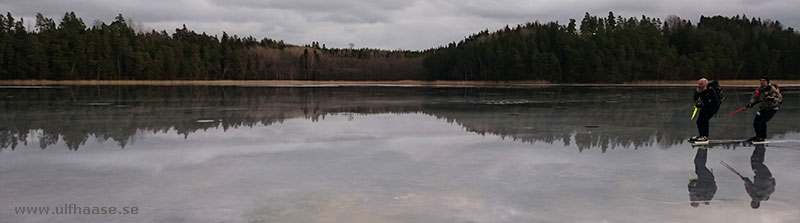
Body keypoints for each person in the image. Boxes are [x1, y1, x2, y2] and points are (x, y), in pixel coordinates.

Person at [745, 77, 782, 142]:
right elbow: (755, 97)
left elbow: (780, 99)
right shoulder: (759, 89)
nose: (762, 82)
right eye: (761, 81)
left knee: (762, 121)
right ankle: (758, 136)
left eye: (763, 81)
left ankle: (762, 137)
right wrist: (751, 103)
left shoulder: (772, 89)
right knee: (756, 122)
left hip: (772, 109)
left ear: (767, 82)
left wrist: (772, 99)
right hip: (763, 108)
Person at [744, 144, 776, 209]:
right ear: (758, 203)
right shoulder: (762, 195)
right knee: (756, 162)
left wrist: (745, 180)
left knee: (755, 161)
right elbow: (754, 188)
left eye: (752, 203)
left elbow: (748, 187)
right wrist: (747, 181)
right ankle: (760, 147)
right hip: (764, 176)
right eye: (754, 204)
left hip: (764, 176)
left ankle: (759, 147)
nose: (753, 202)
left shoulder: (752, 195)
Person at [690, 78, 720, 142]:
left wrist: (704, 106)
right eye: (699, 84)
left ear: (705, 84)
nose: (699, 86)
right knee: (699, 121)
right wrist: (698, 104)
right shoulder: (698, 89)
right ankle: (701, 135)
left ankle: (705, 136)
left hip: (713, 107)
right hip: (704, 107)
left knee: (704, 120)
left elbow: (715, 102)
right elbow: (695, 98)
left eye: (701, 84)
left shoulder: (710, 90)